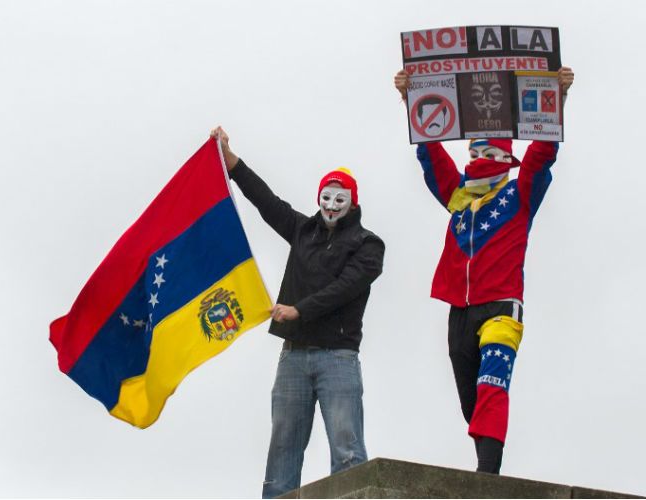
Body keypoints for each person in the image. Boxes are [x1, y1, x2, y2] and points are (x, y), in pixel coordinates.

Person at [393, 67, 574, 474]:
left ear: (507, 161)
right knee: (469, 398)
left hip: (501, 307)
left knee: (492, 385)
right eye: (474, 154)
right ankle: (485, 457)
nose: (479, 161)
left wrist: (556, 99)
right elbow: (432, 155)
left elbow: (543, 156)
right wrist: (411, 101)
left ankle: (487, 475)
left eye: (489, 155)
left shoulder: (519, 193)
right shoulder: (458, 196)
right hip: (459, 308)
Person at [210, 126, 385, 498]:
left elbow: (345, 288)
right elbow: (267, 202)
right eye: (327, 196)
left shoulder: (369, 245)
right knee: (283, 448)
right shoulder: (302, 230)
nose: (332, 204)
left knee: (347, 446)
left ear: (352, 202)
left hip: (338, 357)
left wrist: (299, 311)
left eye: (340, 198)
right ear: (319, 197)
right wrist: (233, 163)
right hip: (293, 358)